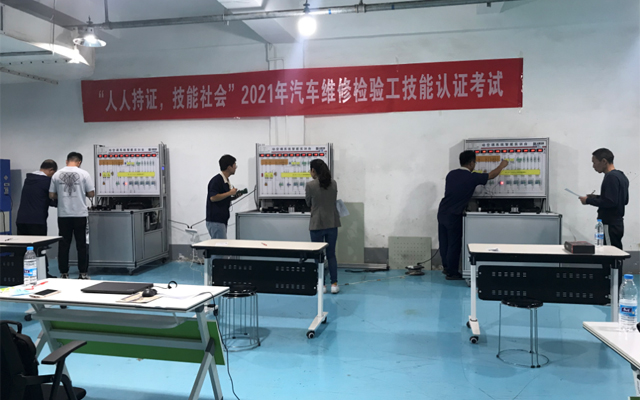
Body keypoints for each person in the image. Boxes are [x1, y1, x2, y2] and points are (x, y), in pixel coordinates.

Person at [437, 150, 508, 280]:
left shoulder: (451, 174)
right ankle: (452, 273)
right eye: (474, 162)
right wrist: (502, 165)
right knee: (454, 243)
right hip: (454, 214)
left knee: (444, 242)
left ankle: (446, 268)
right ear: (471, 163)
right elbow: (491, 175)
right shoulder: (471, 177)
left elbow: (458, 189)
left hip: (442, 212)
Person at [49, 152, 95, 279]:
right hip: (80, 214)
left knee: (64, 244)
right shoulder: (84, 174)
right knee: (82, 244)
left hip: (63, 214)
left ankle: (64, 273)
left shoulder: (57, 174)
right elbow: (91, 193)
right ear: (79, 162)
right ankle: (83, 273)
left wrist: (62, 196)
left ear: (66, 161)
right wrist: (81, 193)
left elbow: (51, 195)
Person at [579, 148, 629, 250]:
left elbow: (610, 202)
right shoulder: (621, 176)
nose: (593, 166)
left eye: (594, 163)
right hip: (617, 224)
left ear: (604, 161)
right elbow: (623, 200)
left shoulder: (610, 177)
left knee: (610, 252)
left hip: (609, 224)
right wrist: (596, 197)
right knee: (616, 251)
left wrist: (588, 201)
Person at [16, 159, 58, 278]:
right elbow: (52, 199)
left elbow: (39, 198)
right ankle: (43, 273)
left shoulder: (28, 180)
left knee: (23, 250)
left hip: (21, 220)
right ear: (51, 170)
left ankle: (22, 275)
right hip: (37, 221)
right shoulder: (47, 181)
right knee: (40, 248)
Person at [305, 159, 341, 294]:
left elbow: (308, 202)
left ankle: (322, 285)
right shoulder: (333, 183)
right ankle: (334, 284)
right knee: (331, 254)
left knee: (318, 256)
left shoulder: (310, 185)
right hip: (332, 222)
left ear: (313, 170)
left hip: (317, 223)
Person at [206, 154, 238, 240]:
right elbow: (213, 197)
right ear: (229, 167)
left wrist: (234, 196)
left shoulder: (226, 181)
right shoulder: (216, 180)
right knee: (220, 246)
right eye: (234, 165)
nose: (236, 167)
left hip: (221, 220)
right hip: (216, 221)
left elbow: (223, 198)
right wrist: (229, 193)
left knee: (220, 246)